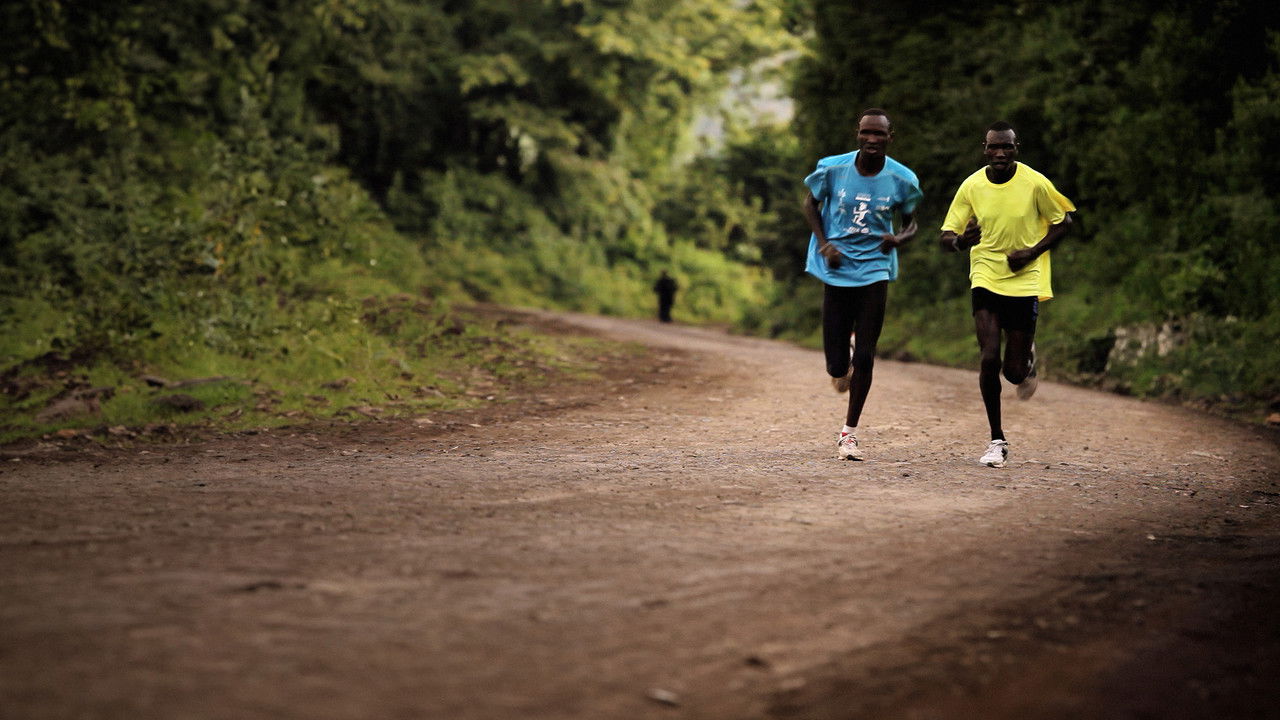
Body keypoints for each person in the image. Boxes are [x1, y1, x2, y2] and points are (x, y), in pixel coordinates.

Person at [939, 120, 1075, 468]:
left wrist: (1030, 252)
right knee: (988, 357)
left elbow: (1064, 222)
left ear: (1017, 149)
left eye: (1007, 147)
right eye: (993, 147)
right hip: (985, 275)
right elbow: (946, 236)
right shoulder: (971, 186)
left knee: (1012, 374)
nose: (999, 153)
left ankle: (1026, 359)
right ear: (984, 149)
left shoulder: (1035, 183)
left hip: (1024, 278)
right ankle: (996, 440)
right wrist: (960, 242)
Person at [802, 108, 921, 461]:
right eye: (866, 133)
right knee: (837, 368)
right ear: (858, 134)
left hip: (875, 269)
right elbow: (810, 202)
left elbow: (912, 223)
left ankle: (849, 434)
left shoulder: (902, 179)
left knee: (867, 356)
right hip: (836, 269)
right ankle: (844, 357)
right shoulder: (832, 168)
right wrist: (824, 243)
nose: (872, 140)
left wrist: (898, 239)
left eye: (879, 134)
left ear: (889, 137)